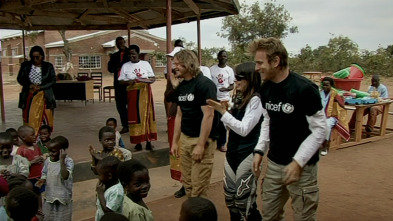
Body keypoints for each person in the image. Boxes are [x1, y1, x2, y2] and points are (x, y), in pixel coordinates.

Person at [250, 37, 327, 221]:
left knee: (303, 217)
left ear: (275, 61)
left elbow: (320, 130)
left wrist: (298, 162)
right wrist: (260, 149)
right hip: (275, 164)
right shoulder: (266, 87)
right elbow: (268, 119)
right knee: (270, 215)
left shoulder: (304, 89)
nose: (256, 68)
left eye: (260, 62)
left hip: (303, 169)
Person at [207, 62, 263, 220]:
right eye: (235, 77)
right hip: (233, 151)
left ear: (251, 79)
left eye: (240, 78)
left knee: (243, 200)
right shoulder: (239, 97)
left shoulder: (256, 100)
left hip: (247, 151)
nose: (235, 81)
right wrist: (226, 111)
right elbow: (230, 126)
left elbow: (244, 129)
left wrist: (223, 112)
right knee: (230, 198)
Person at [169, 49, 219, 198]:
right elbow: (179, 114)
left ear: (188, 64)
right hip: (185, 139)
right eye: (174, 64)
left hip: (201, 140)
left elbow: (209, 115)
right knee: (188, 184)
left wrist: (200, 144)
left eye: (177, 64)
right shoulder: (182, 86)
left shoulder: (205, 84)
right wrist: (175, 142)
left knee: (199, 187)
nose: (174, 67)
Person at [118, 44, 157, 151]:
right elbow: (120, 81)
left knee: (147, 115)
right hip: (132, 93)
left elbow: (153, 78)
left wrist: (144, 80)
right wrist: (128, 82)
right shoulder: (125, 66)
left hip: (145, 93)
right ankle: (138, 142)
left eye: (133, 54)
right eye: (129, 54)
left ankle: (149, 141)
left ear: (138, 54)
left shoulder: (145, 64)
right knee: (134, 117)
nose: (131, 56)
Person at [17, 45, 56, 136]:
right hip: (29, 95)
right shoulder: (25, 65)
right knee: (30, 116)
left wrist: (41, 87)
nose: (35, 59)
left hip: (45, 96)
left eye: (37, 57)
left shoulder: (48, 66)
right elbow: (20, 78)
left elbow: (52, 80)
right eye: (33, 57)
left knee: (44, 118)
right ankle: (31, 137)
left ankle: (43, 138)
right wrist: (30, 85)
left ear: (42, 56)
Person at [36, 136, 73, 221]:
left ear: (62, 151)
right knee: (49, 217)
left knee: (62, 218)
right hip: (50, 195)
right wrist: (43, 179)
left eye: (53, 151)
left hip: (63, 196)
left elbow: (65, 176)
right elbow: (44, 172)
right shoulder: (47, 161)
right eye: (49, 151)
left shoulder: (68, 161)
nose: (50, 153)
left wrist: (62, 160)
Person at [209, 50, 235, 152]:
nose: (223, 58)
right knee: (213, 120)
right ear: (218, 57)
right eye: (221, 56)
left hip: (224, 99)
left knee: (223, 122)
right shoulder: (212, 69)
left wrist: (226, 89)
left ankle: (222, 143)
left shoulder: (229, 70)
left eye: (225, 56)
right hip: (214, 99)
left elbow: (232, 85)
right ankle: (212, 141)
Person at [320, 77, 350, 156]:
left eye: (327, 85)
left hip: (331, 117)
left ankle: (324, 147)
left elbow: (342, 104)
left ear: (331, 85)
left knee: (326, 125)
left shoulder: (335, 93)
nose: (325, 87)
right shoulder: (320, 92)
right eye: (323, 85)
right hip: (320, 116)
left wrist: (339, 101)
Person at [108, 36, 130, 134]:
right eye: (118, 43)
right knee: (120, 106)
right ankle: (125, 125)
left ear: (125, 42)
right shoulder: (114, 56)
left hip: (129, 83)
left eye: (122, 42)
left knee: (131, 105)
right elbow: (110, 68)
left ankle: (133, 124)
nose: (120, 45)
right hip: (118, 84)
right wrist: (116, 67)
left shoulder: (130, 53)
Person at [95, 156, 124, 221]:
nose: (98, 178)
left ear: (109, 176)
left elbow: (109, 212)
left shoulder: (117, 191)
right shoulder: (106, 185)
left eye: (99, 175)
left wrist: (100, 194)